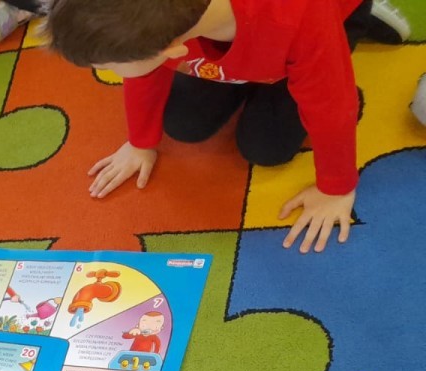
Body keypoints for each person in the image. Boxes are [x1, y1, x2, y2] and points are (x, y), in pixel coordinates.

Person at [45, 0, 409, 254]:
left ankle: (363, 13)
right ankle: (251, 67)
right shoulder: (167, 24)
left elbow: (332, 105)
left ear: (170, 49)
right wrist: (140, 142)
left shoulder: (297, 20)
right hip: (237, 37)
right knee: (184, 124)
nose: (102, 71)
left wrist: (336, 188)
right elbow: (145, 66)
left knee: (266, 147)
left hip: (319, 21)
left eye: (105, 66)